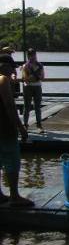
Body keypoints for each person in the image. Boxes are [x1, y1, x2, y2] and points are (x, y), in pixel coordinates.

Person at [0, 54, 34, 207]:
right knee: (12, 160)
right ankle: (14, 196)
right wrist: (21, 128)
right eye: (11, 67)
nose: (12, 70)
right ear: (3, 65)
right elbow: (9, 106)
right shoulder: (3, 80)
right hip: (5, 128)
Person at [21, 48, 45, 134]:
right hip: (27, 88)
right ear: (28, 56)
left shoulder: (40, 65)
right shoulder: (25, 66)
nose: (32, 57)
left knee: (37, 107)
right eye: (30, 55)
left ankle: (39, 125)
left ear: (35, 55)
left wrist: (34, 77)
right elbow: (25, 79)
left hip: (37, 87)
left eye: (34, 55)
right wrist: (34, 77)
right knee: (26, 106)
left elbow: (42, 77)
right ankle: (25, 125)